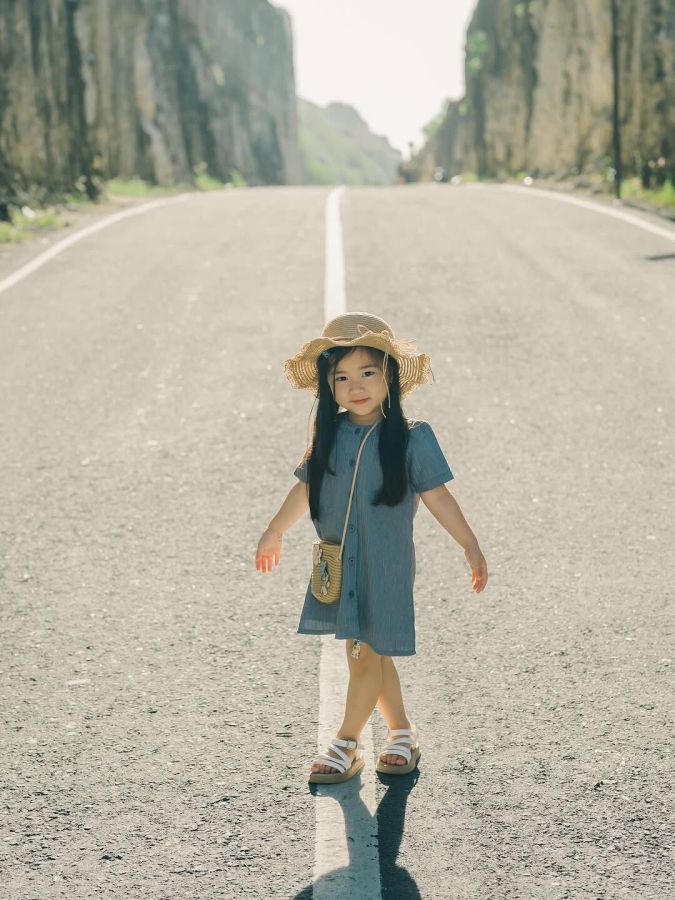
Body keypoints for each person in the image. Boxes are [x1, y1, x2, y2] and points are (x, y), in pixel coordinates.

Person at [255, 312, 488, 784]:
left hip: (384, 567)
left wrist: (470, 544)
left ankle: (345, 743)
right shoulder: (331, 434)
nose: (355, 386)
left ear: (390, 377)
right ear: (328, 386)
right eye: (341, 377)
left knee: (362, 654)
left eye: (367, 372)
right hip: (341, 563)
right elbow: (306, 487)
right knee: (372, 653)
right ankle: (401, 732)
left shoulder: (412, 437)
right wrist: (274, 530)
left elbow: (438, 495)